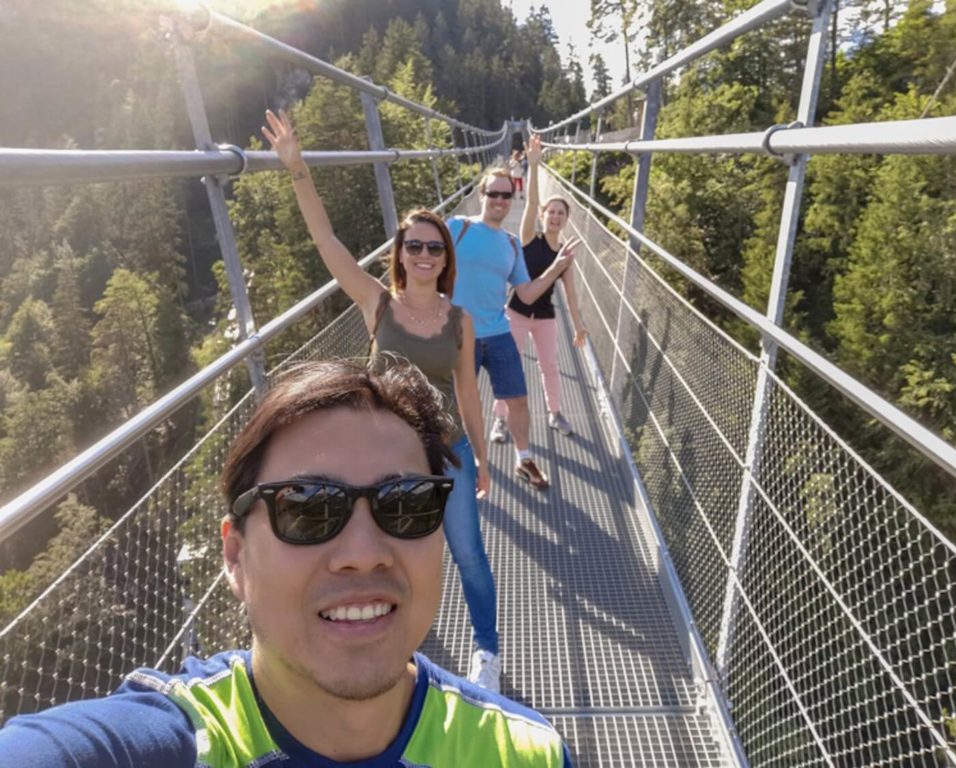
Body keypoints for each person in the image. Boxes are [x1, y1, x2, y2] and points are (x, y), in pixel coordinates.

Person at [0, 360, 572, 766]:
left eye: (407, 505)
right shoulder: (172, 743)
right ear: (235, 557)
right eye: (307, 510)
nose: (364, 554)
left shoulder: (526, 753)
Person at [261, 109, 502, 690]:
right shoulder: (378, 305)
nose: (424, 255)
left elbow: (466, 388)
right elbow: (327, 241)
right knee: (387, 561)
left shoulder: (461, 320)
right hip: (383, 461)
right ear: (401, 255)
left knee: (467, 556)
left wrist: (482, 459)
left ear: (447, 259)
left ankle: (488, 655)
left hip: (446, 451)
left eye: (434, 248)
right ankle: (393, 654)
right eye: (414, 246)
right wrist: (298, 169)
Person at [447, 168, 580, 490]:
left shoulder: (510, 244)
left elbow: (527, 293)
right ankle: (455, 464)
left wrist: (556, 268)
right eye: (493, 193)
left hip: (498, 332)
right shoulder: (457, 228)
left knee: (518, 399)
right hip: (459, 334)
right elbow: (423, 260)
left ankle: (524, 459)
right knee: (454, 402)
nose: (500, 200)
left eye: (506, 195)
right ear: (481, 195)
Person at [494, 134, 588, 437]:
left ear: (565, 220)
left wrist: (579, 326)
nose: (555, 217)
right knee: (509, 365)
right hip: (517, 312)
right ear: (544, 216)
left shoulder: (565, 254)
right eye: (552, 212)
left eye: (561, 214)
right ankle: (501, 419)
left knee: (550, 366)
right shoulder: (527, 239)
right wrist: (533, 165)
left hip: (545, 317)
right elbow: (531, 201)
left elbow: (571, 294)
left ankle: (555, 414)